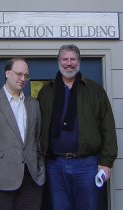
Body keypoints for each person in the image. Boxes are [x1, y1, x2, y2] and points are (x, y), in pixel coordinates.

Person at [37, 44, 118, 210]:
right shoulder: (46, 92)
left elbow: (107, 127)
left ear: (78, 61)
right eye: (65, 59)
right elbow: (38, 127)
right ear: (58, 61)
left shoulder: (95, 91)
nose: (69, 63)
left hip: (86, 164)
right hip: (54, 164)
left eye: (72, 59)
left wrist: (106, 162)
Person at [0, 57, 45, 210]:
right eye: (19, 74)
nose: (23, 79)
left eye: (26, 76)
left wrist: (40, 169)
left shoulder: (33, 104)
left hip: (31, 179)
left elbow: (37, 139)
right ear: (7, 73)